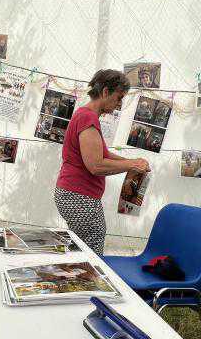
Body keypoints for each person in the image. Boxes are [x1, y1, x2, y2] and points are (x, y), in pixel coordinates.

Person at [54, 69, 150, 255]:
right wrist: (131, 165)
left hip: (75, 194)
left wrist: (133, 161)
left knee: (81, 248)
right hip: (78, 196)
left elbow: (103, 154)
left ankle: (76, 279)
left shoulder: (86, 116)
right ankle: (85, 282)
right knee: (90, 251)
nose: (120, 103)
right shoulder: (87, 117)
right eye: (119, 97)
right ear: (105, 92)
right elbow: (96, 165)